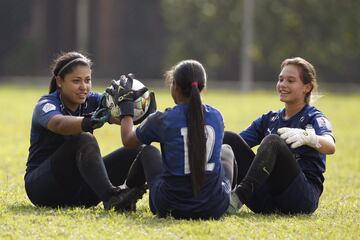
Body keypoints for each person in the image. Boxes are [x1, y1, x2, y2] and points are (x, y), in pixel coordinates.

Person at [106, 60, 236, 219]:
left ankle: (126, 193)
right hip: (214, 207)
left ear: (174, 85)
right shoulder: (217, 116)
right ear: (203, 86)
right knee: (226, 150)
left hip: (170, 205)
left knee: (148, 151)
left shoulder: (162, 119)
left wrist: (126, 109)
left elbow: (128, 140)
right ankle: (229, 201)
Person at [24, 51, 148, 211]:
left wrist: (134, 108)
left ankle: (128, 198)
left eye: (87, 80)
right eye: (76, 81)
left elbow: (122, 119)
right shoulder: (46, 104)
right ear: (60, 81)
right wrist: (88, 122)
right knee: (84, 138)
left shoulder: (93, 100)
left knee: (138, 151)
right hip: (43, 188)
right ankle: (111, 197)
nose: (84, 87)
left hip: (80, 192)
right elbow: (59, 124)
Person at [224, 57, 336, 214]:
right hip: (266, 200)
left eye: (290, 81)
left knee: (273, 141)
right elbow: (233, 147)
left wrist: (310, 138)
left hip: (300, 199)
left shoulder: (313, 117)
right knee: (227, 139)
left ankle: (236, 199)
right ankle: (208, 194)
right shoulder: (269, 118)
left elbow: (330, 146)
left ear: (307, 87)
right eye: (281, 79)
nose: (283, 84)